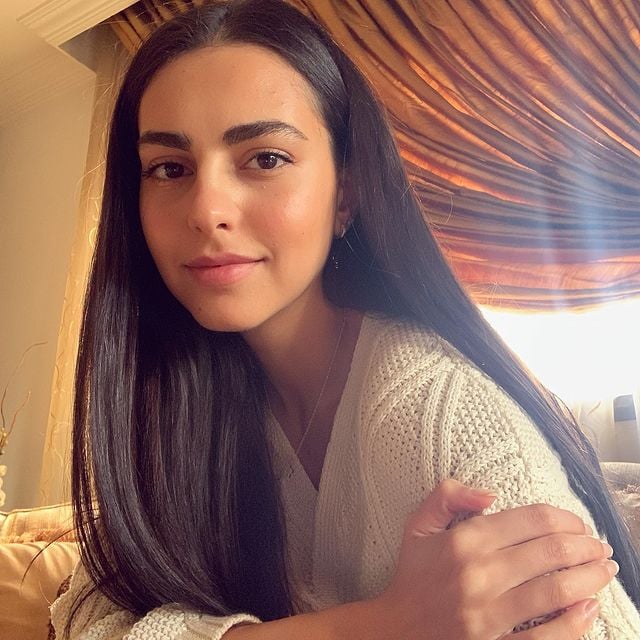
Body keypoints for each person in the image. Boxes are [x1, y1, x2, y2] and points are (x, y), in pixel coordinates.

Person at [51, 0, 640, 638]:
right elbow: (85, 621)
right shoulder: (179, 406)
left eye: (265, 158)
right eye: (170, 168)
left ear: (347, 194)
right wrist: (376, 627)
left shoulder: (439, 410)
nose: (206, 209)